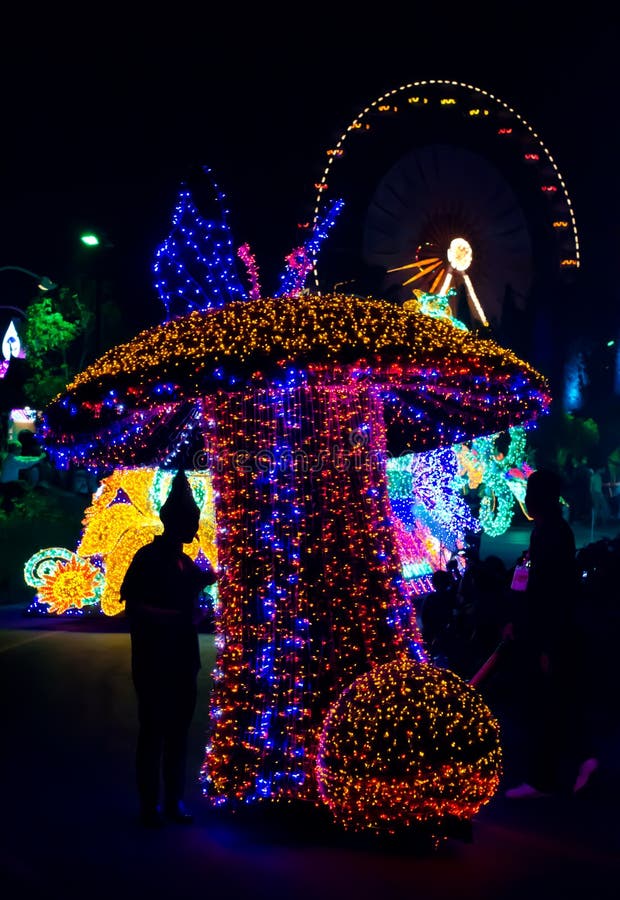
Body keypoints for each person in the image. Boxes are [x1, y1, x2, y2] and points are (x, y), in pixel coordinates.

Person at [120, 468, 218, 827]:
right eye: (191, 520)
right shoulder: (148, 558)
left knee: (177, 732)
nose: (195, 526)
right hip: (153, 659)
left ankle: (173, 802)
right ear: (175, 521)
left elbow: (202, 581)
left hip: (182, 660)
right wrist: (175, 618)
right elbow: (134, 606)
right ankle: (150, 805)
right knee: (153, 731)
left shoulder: (185, 561)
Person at [503, 468, 599, 799]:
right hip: (554, 630)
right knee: (559, 701)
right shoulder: (554, 530)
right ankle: (582, 760)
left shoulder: (548, 534)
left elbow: (548, 592)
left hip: (548, 632)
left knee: (546, 704)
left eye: (529, 492)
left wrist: (544, 643)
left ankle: (545, 778)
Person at [0, 440, 47, 512]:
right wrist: (39, 458)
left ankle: (10, 507)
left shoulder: (10, 457)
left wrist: (37, 457)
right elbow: (26, 463)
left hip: (6, 484)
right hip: (8, 485)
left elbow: (24, 458)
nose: (21, 451)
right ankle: (19, 506)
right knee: (23, 484)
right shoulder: (13, 460)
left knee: (20, 486)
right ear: (15, 450)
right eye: (20, 449)